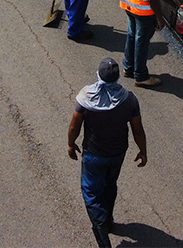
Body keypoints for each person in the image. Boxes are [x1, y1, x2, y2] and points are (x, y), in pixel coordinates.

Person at [67, 57, 147, 248]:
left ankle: (101, 231)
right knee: (109, 185)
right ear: (118, 77)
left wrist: (71, 144)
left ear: (99, 75)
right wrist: (143, 151)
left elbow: (74, 126)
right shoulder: (129, 99)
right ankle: (108, 220)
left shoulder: (86, 97)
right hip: (117, 154)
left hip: (93, 155)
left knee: (91, 191)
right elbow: (137, 129)